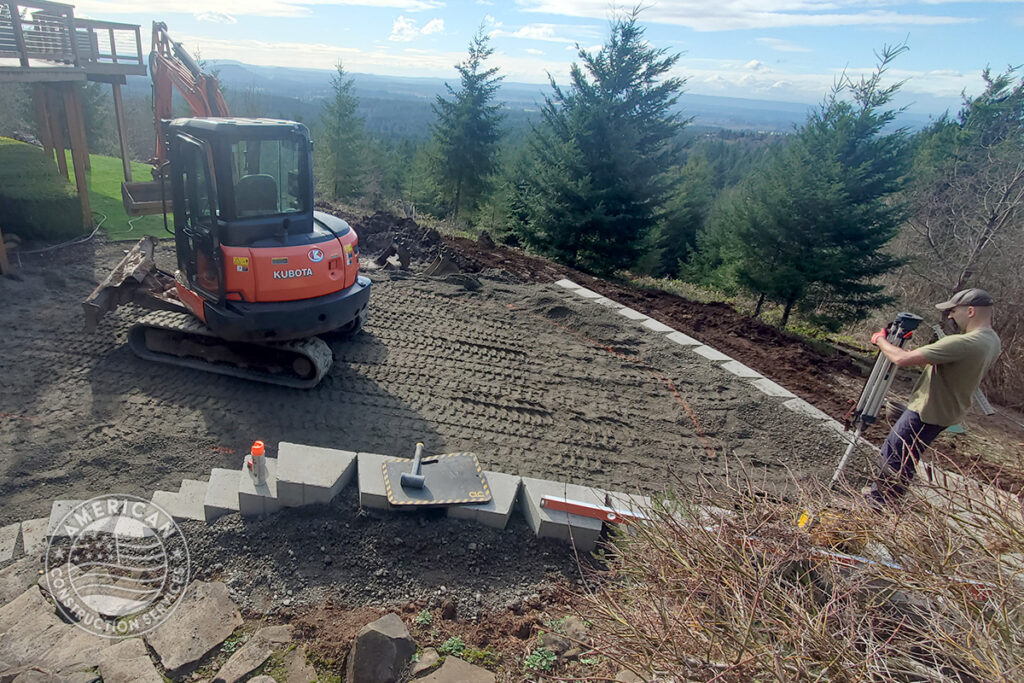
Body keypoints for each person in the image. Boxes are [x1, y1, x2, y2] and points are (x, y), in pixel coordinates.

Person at [863, 288, 1001, 507]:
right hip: (947, 410)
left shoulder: (964, 342)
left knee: (894, 457)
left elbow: (901, 359)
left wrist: (880, 340)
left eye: (954, 311)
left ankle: (878, 506)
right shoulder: (992, 340)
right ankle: (888, 502)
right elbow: (954, 363)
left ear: (971, 311)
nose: (950, 316)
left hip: (927, 410)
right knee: (906, 459)